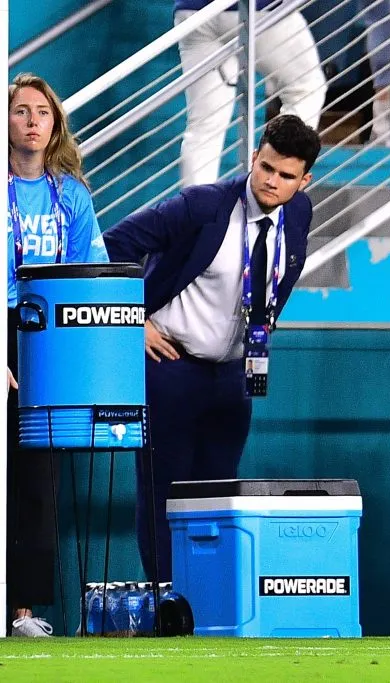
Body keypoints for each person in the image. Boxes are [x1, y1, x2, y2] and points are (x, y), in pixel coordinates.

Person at [103, 115, 321, 582]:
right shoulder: (200, 206)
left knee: (218, 492)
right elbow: (110, 244)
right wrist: (132, 320)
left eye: (286, 176)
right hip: (171, 366)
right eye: (265, 168)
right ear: (253, 157)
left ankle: (206, 600)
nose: (271, 181)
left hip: (234, 375)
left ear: (305, 181)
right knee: (164, 492)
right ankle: (166, 600)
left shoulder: (300, 212)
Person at [6, 73, 109, 637]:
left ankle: (24, 612)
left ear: (55, 123)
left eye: (41, 112)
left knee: (37, 478)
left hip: (47, 334)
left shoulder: (71, 195)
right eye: (20, 111)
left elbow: (86, 278)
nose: (31, 121)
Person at [174, 0, 327, 186]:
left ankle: (195, 210)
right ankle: (276, 182)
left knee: (204, 126)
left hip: (192, 11)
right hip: (256, 7)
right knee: (307, 88)